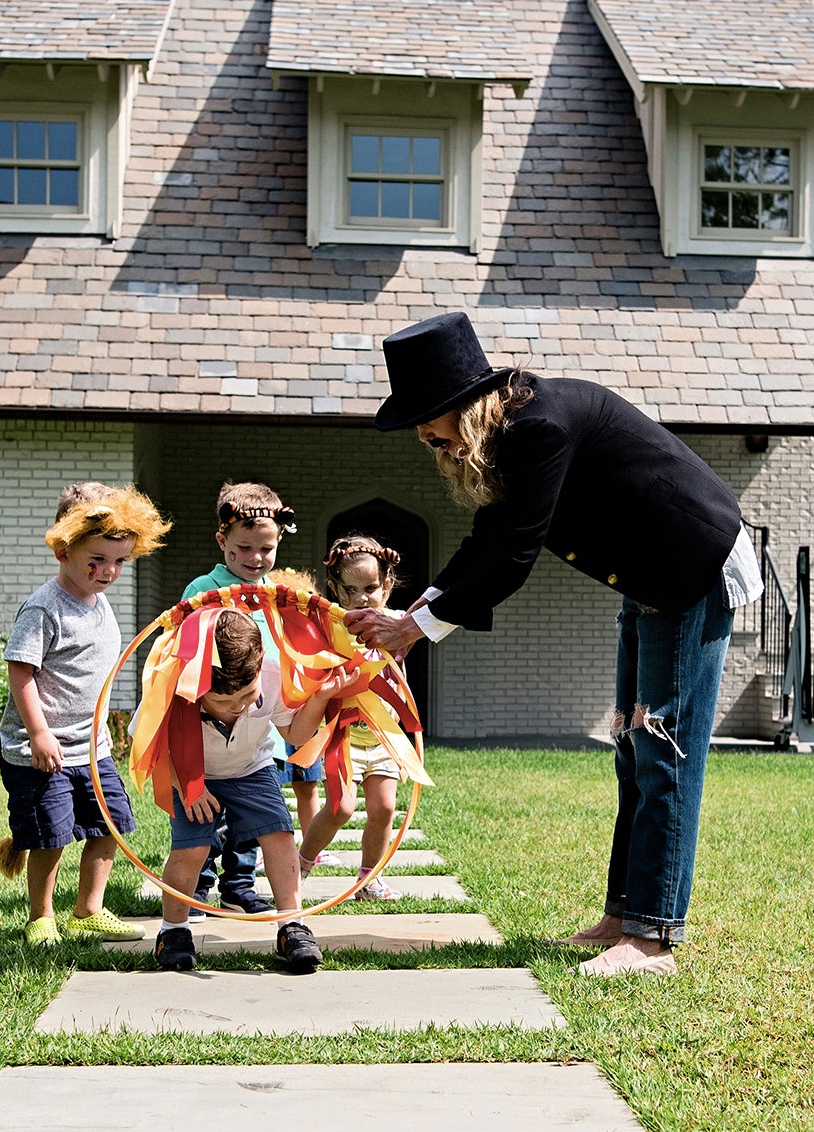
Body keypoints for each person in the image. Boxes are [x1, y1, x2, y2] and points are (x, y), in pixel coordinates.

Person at [346, 312, 763, 977]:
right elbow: (487, 540)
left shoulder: (538, 428)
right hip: (650, 574)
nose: (425, 436)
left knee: (664, 753)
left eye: (428, 418)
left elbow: (512, 556)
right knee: (634, 750)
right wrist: (410, 615)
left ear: (464, 402)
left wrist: (413, 630)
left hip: (692, 568)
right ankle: (624, 917)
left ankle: (652, 942)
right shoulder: (510, 429)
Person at [0, 480, 170, 947]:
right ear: (63, 550)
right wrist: (39, 734)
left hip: (91, 748)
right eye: (97, 560)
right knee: (51, 835)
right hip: (41, 747)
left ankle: (88, 911)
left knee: (110, 823)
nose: (109, 571)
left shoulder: (101, 602)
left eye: (119, 561)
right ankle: (41, 917)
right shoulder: (44, 608)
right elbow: (21, 672)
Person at [151, 609, 349, 974]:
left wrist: (320, 699)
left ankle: (292, 924)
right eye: (223, 703)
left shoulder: (272, 677)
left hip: (251, 769)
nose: (238, 707)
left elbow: (294, 736)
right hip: (192, 774)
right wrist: (187, 788)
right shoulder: (172, 683)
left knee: (279, 835)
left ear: (259, 671)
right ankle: (173, 930)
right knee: (191, 849)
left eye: (247, 696)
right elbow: (152, 748)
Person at [179, 481, 323, 914]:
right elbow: (182, 649)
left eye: (266, 549)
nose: (255, 559)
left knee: (254, 817)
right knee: (206, 815)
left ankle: (240, 884)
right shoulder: (203, 587)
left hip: (261, 713)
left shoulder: (276, 594)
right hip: (209, 718)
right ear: (222, 540)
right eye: (243, 548)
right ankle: (199, 885)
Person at [293, 535, 410, 901]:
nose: (363, 597)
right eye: (352, 589)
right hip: (343, 734)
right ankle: (301, 864)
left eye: (372, 587)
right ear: (335, 589)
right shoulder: (330, 625)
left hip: (383, 734)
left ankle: (369, 879)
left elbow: (420, 631)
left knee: (384, 807)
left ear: (387, 585)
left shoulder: (396, 623)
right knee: (341, 807)